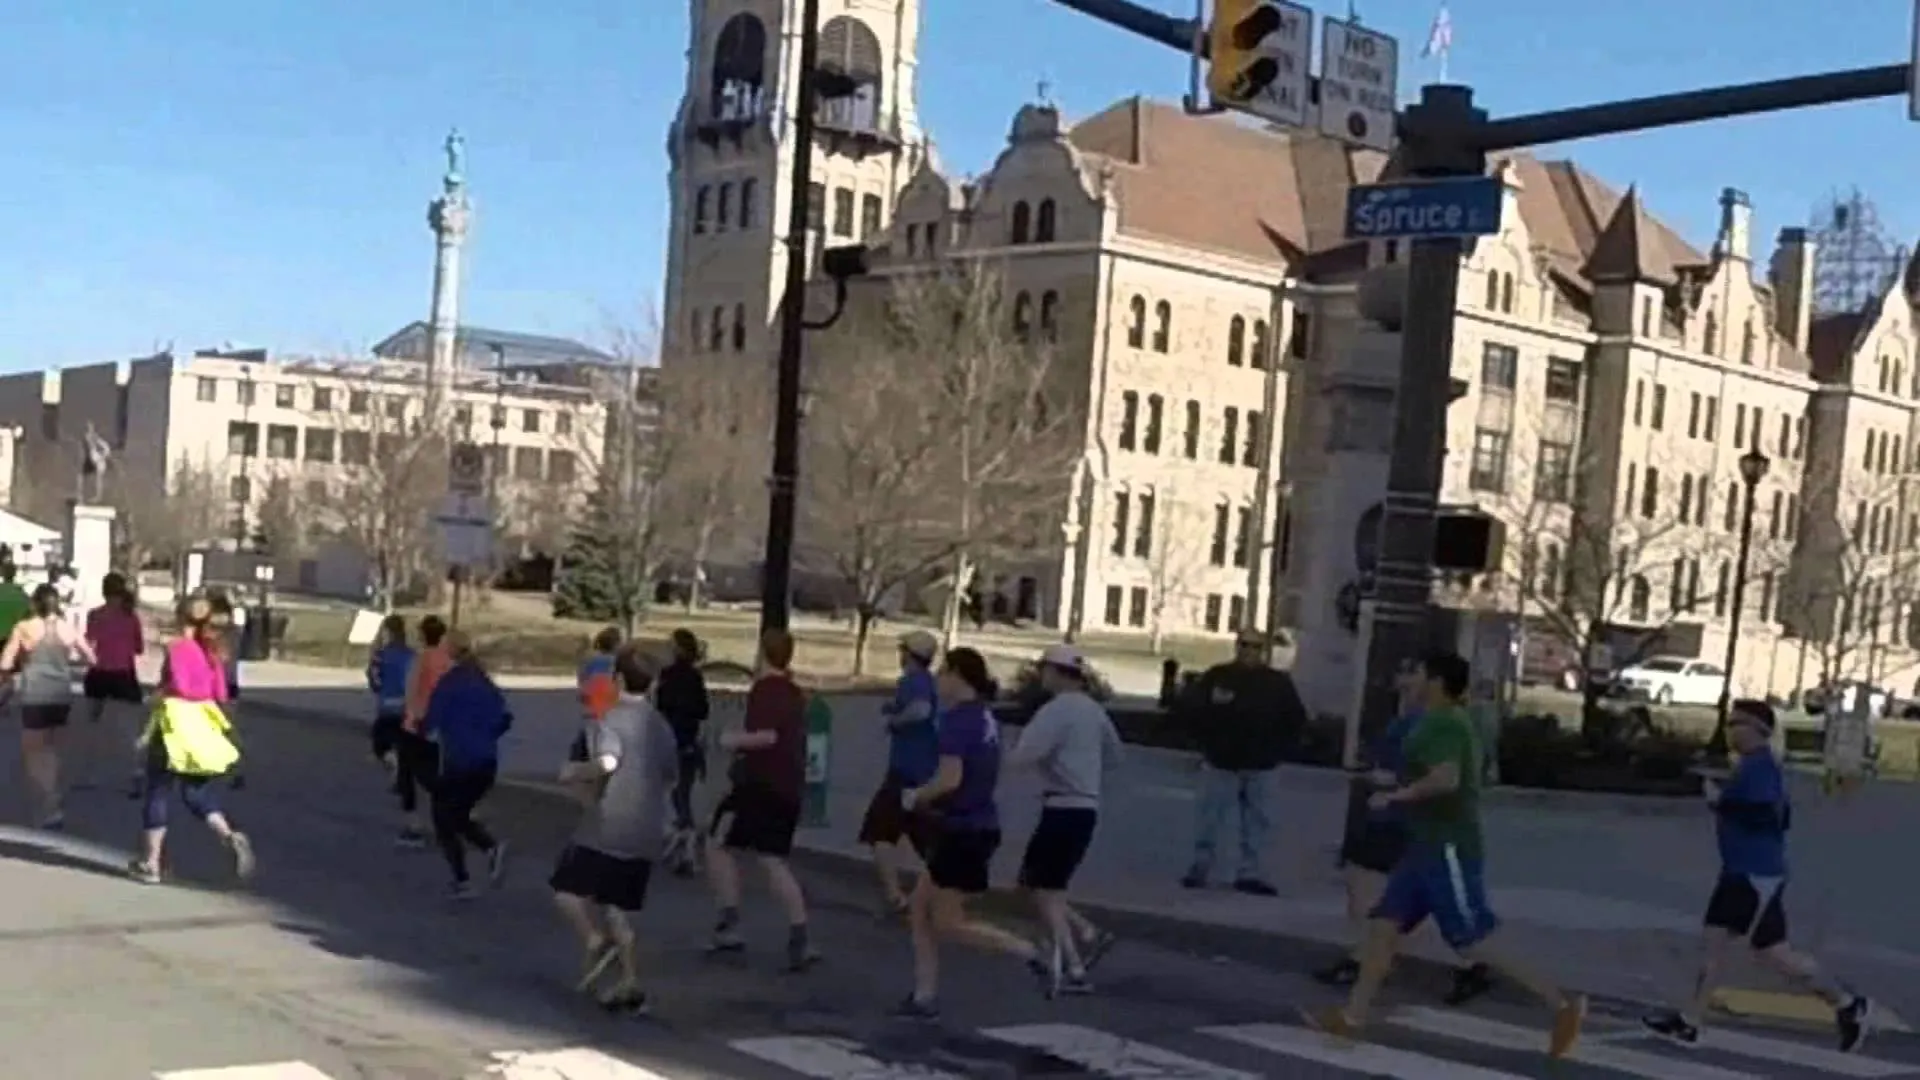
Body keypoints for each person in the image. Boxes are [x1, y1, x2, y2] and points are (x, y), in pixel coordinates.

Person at [1306, 650, 1585, 1060]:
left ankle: (1563, 1005)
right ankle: (1352, 1018)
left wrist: (1395, 796)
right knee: (1384, 927)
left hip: (1447, 849)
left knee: (1472, 939)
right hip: (1423, 848)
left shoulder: (1443, 722)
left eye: (1416, 671)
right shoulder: (1444, 722)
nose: (1410, 679)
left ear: (1435, 681)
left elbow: (1446, 779)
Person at [1642, 699, 1874, 1051]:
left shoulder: (1760, 768)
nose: (1730, 730)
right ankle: (1847, 1004)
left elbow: (1766, 815)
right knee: (1775, 954)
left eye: (1738, 724)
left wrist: (1720, 802)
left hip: (1751, 874)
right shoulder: (1753, 766)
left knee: (1715, 944)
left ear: (1758, 730)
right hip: (1750, 872)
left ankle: (1690, 1021)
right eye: (1730, 723)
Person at [1315, 657, 1493, 1005]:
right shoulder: (1442, 719)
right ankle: (1369, 961)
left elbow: (1440, 775)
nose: (1403, 680)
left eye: (1414, 674)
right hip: (1417, 821)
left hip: (1409, 819)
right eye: (1403, 672)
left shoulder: (1432, 723)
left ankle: (1368, 959)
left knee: (1370, 879)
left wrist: (1394, 786)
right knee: (1405, 900)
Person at [893, 647, 1037, 1019]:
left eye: (943, 672)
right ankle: (924, 996)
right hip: (974, 825)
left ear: (958, 676)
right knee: (919, 908)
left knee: (948, 922)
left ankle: (1029, 953)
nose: (938, 680)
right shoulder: (985, 719)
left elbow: (950, 779)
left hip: (963, 830)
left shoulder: (958, 722)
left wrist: (915, 796)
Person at [550, 644, 680, 1015]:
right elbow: (670, 774)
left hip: (607, 825)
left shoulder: (610, 720)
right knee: (616, 904)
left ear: (618, 680)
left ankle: (593, 939)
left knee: (566, 890)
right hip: (646, 829)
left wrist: (574, 772)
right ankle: (630, 980)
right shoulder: (661, 725)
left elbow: (607, 761)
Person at [1004, 644, 1123, 996]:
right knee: (1035, 886)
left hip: (1061, 807)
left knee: (1045, 890)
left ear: (1056, 673)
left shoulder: (1055, 712)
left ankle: (1073, 967)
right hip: (1086, 808)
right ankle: (1086, 935)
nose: (1042, 676)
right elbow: (1115, 754)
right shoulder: (1094, 711)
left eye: (1045, 670)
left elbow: (1026, 754)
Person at [705, 628, 818, 972]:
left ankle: (730, 921)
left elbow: (767, 736)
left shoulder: (766, 690)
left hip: (759, 785)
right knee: (772, 859)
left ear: (763, 654)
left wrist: (731, 739)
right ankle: (799, 933)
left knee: (716, 843)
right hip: (786, 786)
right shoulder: (794, 692)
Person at [131, 593, 253, 884]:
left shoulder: (177, 649)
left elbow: (173, 686)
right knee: (196, 793)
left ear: (180, 617)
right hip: (202, 724)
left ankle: (152, 863)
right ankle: (228, 834)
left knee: (158, 790)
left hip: (173, 724)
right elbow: (221, 695)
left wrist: (155, 699)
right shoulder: (212, 652)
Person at [1176, 629, 1306, 895]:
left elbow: (1295, 719)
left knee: (1259, 822)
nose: (1250, 651)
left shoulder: (1277, 683)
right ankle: (1200, 867)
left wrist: (1280, 750)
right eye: (1245, 645)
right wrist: (1202, 745)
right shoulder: (1218, 677)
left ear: (1264, 650)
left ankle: (1251, 872)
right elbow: (1193, 711)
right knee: (1209, 817)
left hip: (1262, 765)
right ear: (1236, 647)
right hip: (1221, 762)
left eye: (1256, 646)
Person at [419, 632, 511, 899]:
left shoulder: (449, 684)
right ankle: (489, 848)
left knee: (443, 816)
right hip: (486, 763)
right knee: (457, 813)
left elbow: (430, 722)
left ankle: (463, 879)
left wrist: (424, 731)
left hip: (459, 760)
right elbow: (504, 718)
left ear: (449, 653)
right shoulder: (484, 682)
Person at [859, 629, 940, 916]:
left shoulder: (913, 681)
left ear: (910, 655)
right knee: (924, 838)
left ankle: (896, 896)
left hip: (905, 772)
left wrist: (895, 722)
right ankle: (940, 891)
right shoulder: (931, 682)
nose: (899, 655)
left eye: (902, 650)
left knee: (879, 831)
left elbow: (920, 710)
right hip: (924, 772)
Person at [2, 583, 97, 827]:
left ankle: (51, 801)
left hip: (35, 695)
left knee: (32, 753)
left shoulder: (24, 628)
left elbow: (5, 664)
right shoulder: (69, 629)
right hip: (62, 695)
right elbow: (91, 658)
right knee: (52, 749)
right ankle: (52, 795)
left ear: (35, 603)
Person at [82, 572, 146, 794]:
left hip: (99, 673)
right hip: (124, 674)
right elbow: (139, 649)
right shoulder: (131, 617)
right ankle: (136, 770)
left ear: (104, 591)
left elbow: (89, 643)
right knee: (129, 729)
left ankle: (90, 774)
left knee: (92, 725)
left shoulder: (95, 615)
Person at [654, 628, 711, 876]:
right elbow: (703, 710)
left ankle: (681, 839)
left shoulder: (667, 676)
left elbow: (660, 707)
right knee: (682, 794)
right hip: (689, 742)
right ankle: (684, 842)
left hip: (670, 742)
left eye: (670, 644)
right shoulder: (695, 677)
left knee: (669, 795)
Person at [366, 614, 424, 846]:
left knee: (379, 745)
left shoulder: (382, 656)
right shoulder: (413, 656)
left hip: (388, 710)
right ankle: (414, 823)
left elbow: (374, 682)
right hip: (409, 713)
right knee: (411, 769)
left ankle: (393, 762)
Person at [400, 614, 452, 830]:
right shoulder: (447, 661)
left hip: (415, 723)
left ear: (422, 635)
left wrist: (410, 712)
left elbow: (410, 690)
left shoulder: (421, 659)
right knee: (430, 771)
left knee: (408, 774)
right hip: (436, 724)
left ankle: (413, 824)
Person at [569, 627, 624, 766]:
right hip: (613, 710)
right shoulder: (618, 663)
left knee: (592, 745)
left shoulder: (591, 663)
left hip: (592, 710)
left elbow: (583, 684)